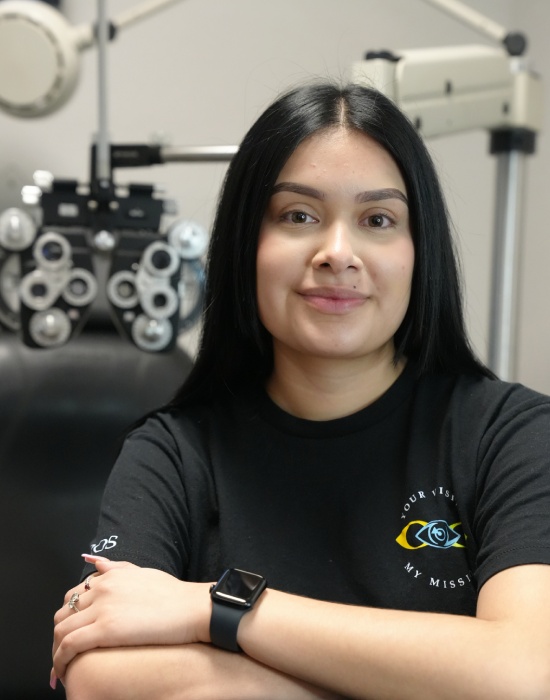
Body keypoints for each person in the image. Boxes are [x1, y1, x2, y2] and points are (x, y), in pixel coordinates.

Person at [52, 82, 550, 700]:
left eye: (377, 219)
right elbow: (102, 679)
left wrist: (215, 609)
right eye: (298, 215)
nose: (337, 253)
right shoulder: (173, 454)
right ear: (245, 245)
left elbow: (526, 672)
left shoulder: (512, 435)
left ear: (420, 253)